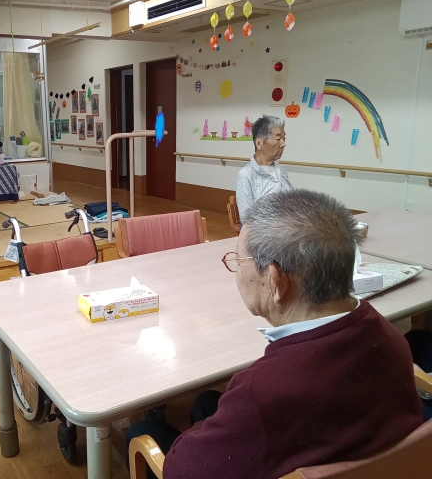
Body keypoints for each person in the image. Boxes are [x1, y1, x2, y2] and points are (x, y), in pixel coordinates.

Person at [126, 189, 422, 479]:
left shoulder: (263, 392)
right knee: (207, 401)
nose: (236, 271)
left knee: (143, 431)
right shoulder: (389, 335)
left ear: (275, 280)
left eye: (238, 261)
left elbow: (179, 471)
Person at [235, 115, 293, 216]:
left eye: (284, 139)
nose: (283, 144)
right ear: (259, 143)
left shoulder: (280, 169)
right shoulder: (245, 176)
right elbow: (246, 219)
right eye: (278, 138)